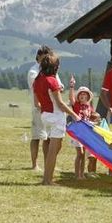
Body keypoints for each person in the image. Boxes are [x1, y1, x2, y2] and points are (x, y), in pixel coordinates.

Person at [33, 52, 80, 185]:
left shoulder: (37, 80)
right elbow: (60, 104)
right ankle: (47, 180)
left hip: (45, 115)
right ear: (55, 67)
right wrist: (74, 115)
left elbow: (37, 104)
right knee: (53, 151)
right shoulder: (52, 81)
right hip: (56, 116)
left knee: (55, 148)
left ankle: (47, 177)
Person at [27, 46, 65, 171]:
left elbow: (59, 84)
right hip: (38, 107)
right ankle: (34, 164)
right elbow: (40, 86)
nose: (46, 60)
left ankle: (48, 163)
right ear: (38, 57)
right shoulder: (33, 71)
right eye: (44, 58)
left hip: (50, 107)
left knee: (48, 138)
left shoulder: (52, 70)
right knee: (37, 136)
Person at [70, 84, 93, 179]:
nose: (82, 95)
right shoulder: (76, 105)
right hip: (77, 132)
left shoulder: (89, 107)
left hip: (85, 133)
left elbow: (90, 118)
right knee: (80, 153)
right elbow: (71, 99)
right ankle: (77, 175)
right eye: (80, 94)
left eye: (84, 94)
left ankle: (82, 174)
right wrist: (72, 87)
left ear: (88, 96)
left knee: (84, 155)